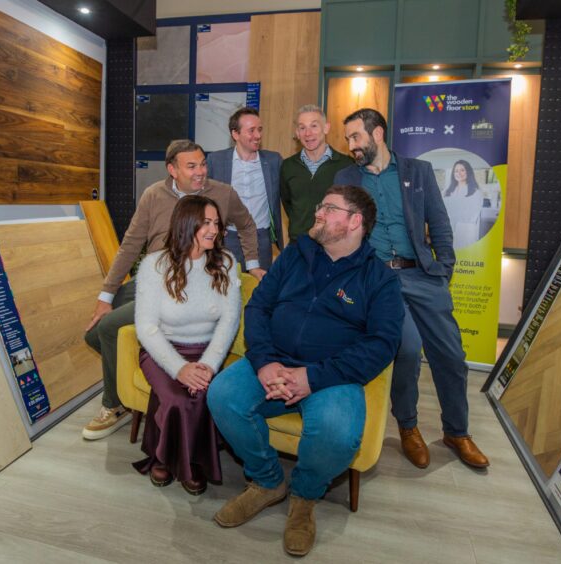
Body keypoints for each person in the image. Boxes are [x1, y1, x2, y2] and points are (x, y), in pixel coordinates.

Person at [207, 185, 403, 557]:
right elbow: (259, 308)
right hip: (273, 361)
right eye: (320, 206)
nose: (318, 214)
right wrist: (264, 362)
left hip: (331, 375)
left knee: (337, 432)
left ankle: (305, 497)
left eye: (329, 209)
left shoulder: (380, 279)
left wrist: (311, 378)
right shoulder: (295, 254)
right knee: (222, 396)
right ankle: (267, 482)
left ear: (354, 222)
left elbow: (382, 344)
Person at [334, 108, 489, 470]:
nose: (352, 145)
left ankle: (457, 431)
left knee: (451, 355)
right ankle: (408, 428)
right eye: (348, 139)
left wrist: (443, 270)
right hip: (379, 280)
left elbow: (439, 221)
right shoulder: (345, 177)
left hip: (422, 274)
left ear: (378, 134)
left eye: (356, 137)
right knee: (406, 350)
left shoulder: (417, 172)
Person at [82, 140, 264, 441]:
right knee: (94, 332)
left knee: (112, 326)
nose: (200, 172)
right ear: (172, 169)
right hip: (151, 279)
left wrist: (253, 263)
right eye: (191, 166)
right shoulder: (154, 195)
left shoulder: (222, 193)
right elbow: (131, 244)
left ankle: (114, 405)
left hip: (185, 285)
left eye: (202, 164)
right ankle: (144, 363)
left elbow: (246, 224)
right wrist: (106, 295)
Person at [131, 195, 241, 495]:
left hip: (208, 352)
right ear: (186, 223)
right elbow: (146, 328)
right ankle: (172, 459)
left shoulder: (226, 264)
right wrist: (179, 368)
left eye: (216, 223)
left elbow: (230, 321)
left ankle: (184, 460)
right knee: (179, 399)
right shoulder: (154, 265)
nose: (213, 229)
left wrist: (207, 365)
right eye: (205, 222)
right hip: (162, 351)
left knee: (202, 394)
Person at [207, 107, 283, 271]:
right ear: (235, 134)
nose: (258, 135)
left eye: (260, 129)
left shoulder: (273, 161)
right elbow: (204, 197)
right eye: (251, 131)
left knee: (260, 289)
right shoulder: (216, 161)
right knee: (227, 287)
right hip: (228, 238)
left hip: (260, 238)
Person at [280, 104, 354, 244]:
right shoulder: (287, 166)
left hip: (334, 245)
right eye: (302, 128)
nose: (308, 133)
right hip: (298, 245)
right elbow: (288, 204)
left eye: (314, 126)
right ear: (297, 132)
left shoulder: (347, 165)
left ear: (326, 128)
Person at [442, 159, 484, 249]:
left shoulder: (476, 192)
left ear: (468, 171)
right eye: (456, 171)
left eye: (462, 170)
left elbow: (471, 215)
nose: (459, 173)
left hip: (465, 232)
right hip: (447, 231)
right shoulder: (447, 191)